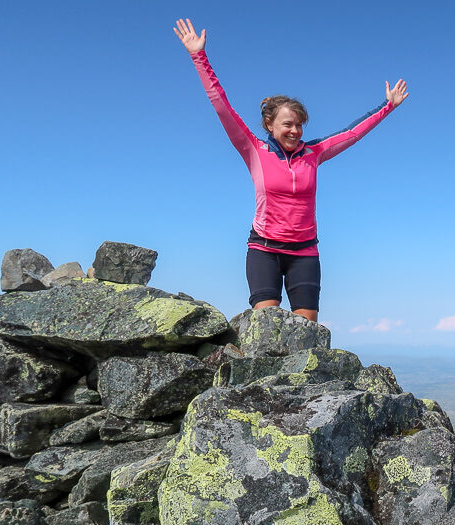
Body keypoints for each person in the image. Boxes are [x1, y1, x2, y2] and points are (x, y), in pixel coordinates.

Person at [173, 18, 408, 322]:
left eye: (299, 124)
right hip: (264, 250)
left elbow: (352, 133)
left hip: (305, 253)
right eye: (288, 124)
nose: (295, 130)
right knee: (267, 330)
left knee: (307, 333)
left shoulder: (314, 153)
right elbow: (221, 105)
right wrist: (198, 56)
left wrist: (387, 107)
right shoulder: (254, 150)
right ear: (270, 125)